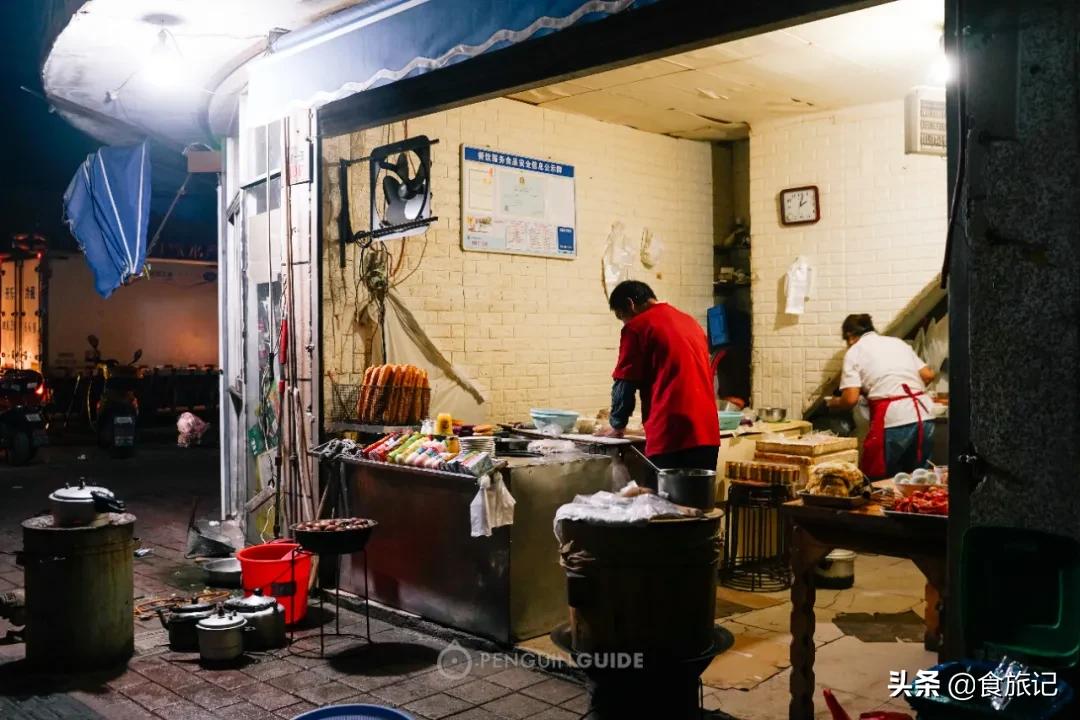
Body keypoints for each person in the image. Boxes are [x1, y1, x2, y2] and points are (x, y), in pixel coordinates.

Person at [597, 280, 721, 470]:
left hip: (671, 433)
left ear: (630, 304)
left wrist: (617, 425)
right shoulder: (690, 322)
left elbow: (625, 383)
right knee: (697, 497)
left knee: (661, 499)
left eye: (622, 317)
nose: (625, 322)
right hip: (708, 432)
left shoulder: (637, 327)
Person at [827, 313, 936, 479]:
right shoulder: (897, 343)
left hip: (894, 419)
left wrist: (833, 403)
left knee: (880, 478)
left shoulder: (854, 352)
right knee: (919, 480)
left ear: (849, 337)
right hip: (924, 415)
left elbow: (850, 399)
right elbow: (928, 375)